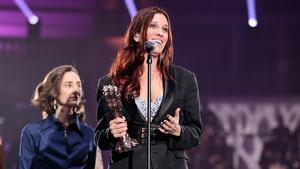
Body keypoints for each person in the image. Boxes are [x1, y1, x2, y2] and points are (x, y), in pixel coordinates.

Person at [95, 6, 202, 169]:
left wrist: (178, 130)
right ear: (136, 35)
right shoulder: (111, 82)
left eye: (165, 29)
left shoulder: (184, 80)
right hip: (127, 162)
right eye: (153, 26)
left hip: (170, 163)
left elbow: (195, 134)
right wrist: (111, 133)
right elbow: (100, 139)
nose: (161, 32)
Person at [18, 65, 96, 169]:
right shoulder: (32, 132)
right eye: (69, 85)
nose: (76, 90)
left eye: (79, 85)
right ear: (54, 91)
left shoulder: (89, 134)